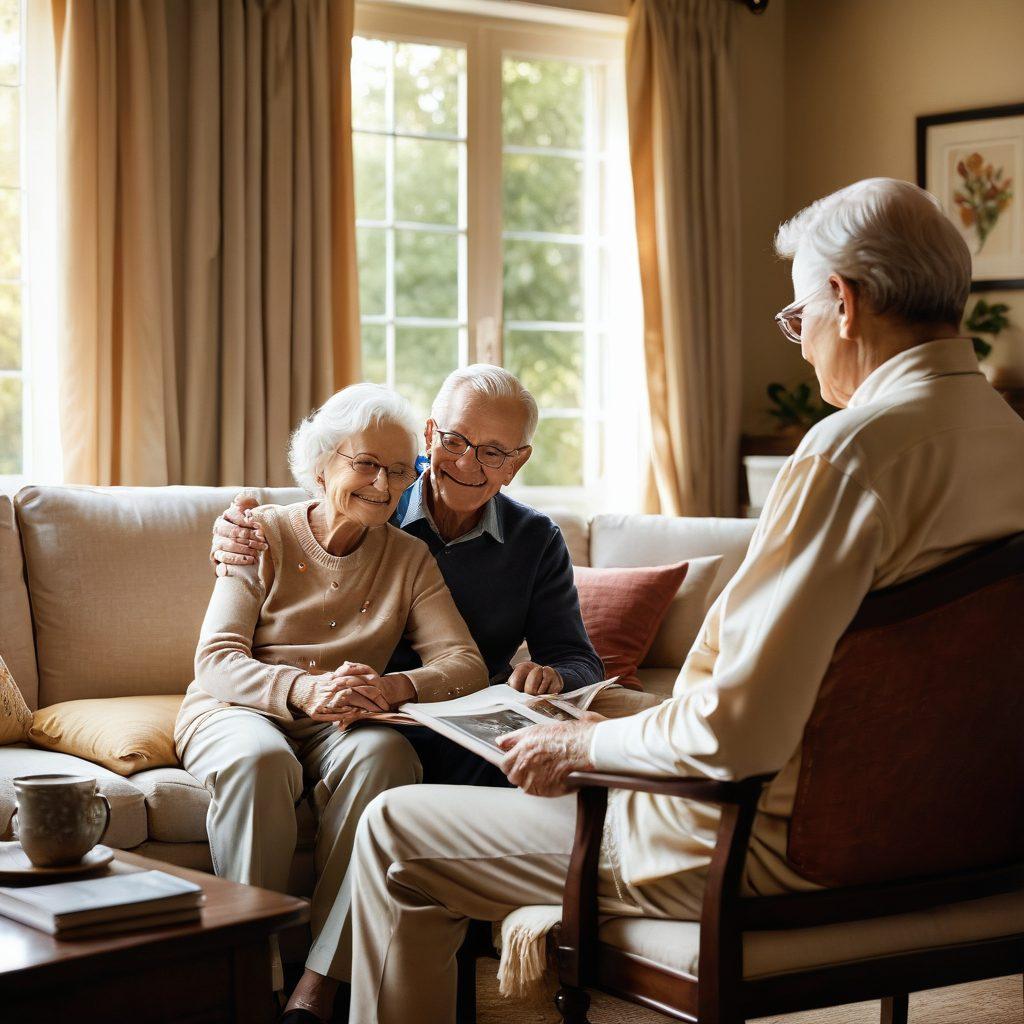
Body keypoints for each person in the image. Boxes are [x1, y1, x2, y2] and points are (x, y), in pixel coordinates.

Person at [341, 177, 1024, 1024]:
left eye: (797, 316)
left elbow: (736, 730)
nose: (802, 345)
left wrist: (587, 747)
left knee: (395, 829)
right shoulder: (1008, 441)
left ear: (842, 304)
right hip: (944, 842)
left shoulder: (851, 455)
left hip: (747, 845)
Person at [173, 384, 488, 1024]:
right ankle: (249, 981)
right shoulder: (258, 532)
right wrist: (304, 689)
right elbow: (217, 659)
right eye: (366, 463)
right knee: (259, 762)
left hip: (341, 718)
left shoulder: (409, 556)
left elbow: (466, 664)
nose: (383, 484)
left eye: (400, 471)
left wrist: (396, 687)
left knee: (388, 757)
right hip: (237, 707)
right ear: (322, 465)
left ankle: (317, 987)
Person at [211, 365, 616, 784]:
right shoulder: (373, 499)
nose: (466, 462)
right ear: (430, 435)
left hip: (455, 719)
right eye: (454, 439)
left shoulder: (535, 540)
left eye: (492, 452)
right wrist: (233, 535)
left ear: (517, 462)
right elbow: (307, 521)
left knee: (541, 770)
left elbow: (579, 660)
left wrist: (553, 675)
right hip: (360, 721)